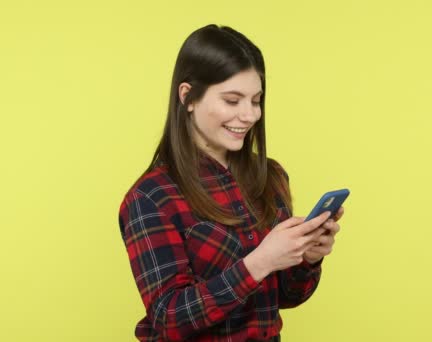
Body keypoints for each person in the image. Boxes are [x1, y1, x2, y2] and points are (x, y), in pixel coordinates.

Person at [117, 24, 344, 342]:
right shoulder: (152, 197)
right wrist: (259, 261)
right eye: (233, 100)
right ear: (188, 97)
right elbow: (169, 319)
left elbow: (284, 298)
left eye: (256, 100)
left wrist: (309, 257)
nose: (250, 115)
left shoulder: (271, 176)